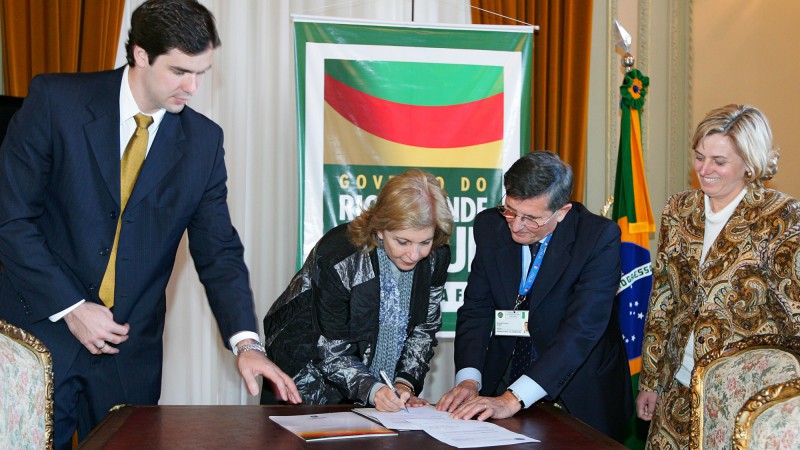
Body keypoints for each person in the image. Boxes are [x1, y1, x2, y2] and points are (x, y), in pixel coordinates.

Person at [0, 1, 300, 448]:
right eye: (180, 71)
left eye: (201, 72)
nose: (193, 87)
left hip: (129, 351)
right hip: (42, 330)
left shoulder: (203, 142)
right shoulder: (56, 102)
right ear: (141, 54)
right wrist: (72, 307)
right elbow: (11, 218)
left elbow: (218, 248)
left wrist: (247, 344)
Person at [437, 150, 633, 441]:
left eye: (531, 218)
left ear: (562, 211)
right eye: (511, 210)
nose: (516, 225)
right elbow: (476, 308)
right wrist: (469, 379)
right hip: (504, 374)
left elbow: (582, 329)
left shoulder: (598, 237)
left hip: (579, 388)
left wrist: (514, 398)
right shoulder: (490, 226)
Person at [637, 104, 800, 449]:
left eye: (719, 161)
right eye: (699, 157)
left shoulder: (782, 217)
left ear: (750, 163)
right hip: (677, 389)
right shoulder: (679, 210)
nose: (704, 170)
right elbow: (664, 298)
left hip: (743, 398)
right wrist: (650, 380)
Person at [261, 168, 453, 411]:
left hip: (370, 385)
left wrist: (404, 384)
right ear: (380, 228)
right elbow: (330, 349)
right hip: (304, 373)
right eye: (402, 242)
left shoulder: (437, 255)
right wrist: (373, 390)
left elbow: (424, 328)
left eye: (424, 242)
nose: (414, 255)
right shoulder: (339, 255)